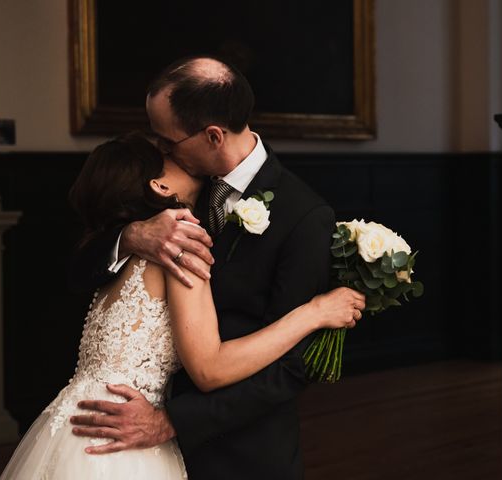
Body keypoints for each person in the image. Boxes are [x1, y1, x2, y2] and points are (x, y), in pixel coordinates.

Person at [0, 134, 365, 479]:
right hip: (125, 429)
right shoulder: (174, 245)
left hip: (73, 422)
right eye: (169, 157)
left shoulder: (138, 250)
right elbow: (210, 368)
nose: (181, 158)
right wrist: (312, 313)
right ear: (159, 186)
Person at [66, 56, 361, 480]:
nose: (160, 148)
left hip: (240, 452)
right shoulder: (165, 194)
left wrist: (173, 421)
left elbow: (296, 366)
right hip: (137, 437)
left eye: (167, 140)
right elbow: (76, 272)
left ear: (213, 136)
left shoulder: (304, 215)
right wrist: (131, 236)